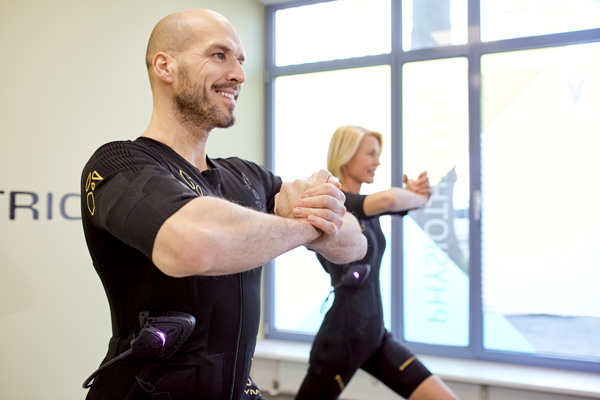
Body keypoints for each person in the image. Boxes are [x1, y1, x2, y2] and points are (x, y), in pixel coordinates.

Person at [80, 10, 367, 400]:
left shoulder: (248, 176)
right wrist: (302, 226)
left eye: (241, 61)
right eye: (219, 55)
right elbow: (193, 244)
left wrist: (318, 216)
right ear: (165, 65)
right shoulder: (117, 164)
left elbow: (355, 244)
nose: (238, 75)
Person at [295, 126, 458, 400]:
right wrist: (417, 196)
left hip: (375, 336)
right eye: (370, 154)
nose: (378, 162)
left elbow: (395, 203)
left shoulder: (366, 207)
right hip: (342, 338)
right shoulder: (336, 204)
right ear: (346, 158)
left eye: (378, 155)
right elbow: (391, 199)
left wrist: (417, 195)